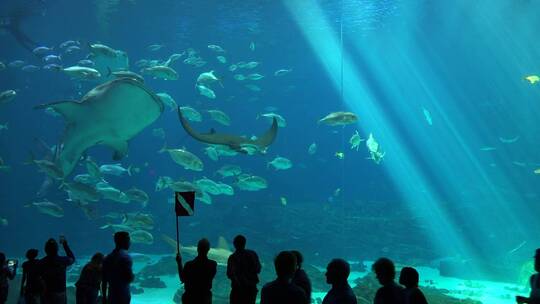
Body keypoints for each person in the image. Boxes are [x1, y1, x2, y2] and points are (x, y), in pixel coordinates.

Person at [176, 238, 217, 304]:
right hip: (204, 297)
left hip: (190, 297)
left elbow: (182, 279)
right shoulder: (213, 264)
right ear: (208, 249)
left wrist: (179, 262)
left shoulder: (189, 265)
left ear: (197, 249)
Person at [39, 236, 75, 304]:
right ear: (57, 249)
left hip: (46, 293)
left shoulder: (41, 262)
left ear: (45, 249)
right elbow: (72, 258)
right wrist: (65, 245)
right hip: (60, 292)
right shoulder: (63, 260)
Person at [227, 235, 262, 304]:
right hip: (251, 289)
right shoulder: (252, 254)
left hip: (237, 290)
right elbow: (258, 269)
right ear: (245, 243)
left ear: (234, 244)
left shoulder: (232, 257)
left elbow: (229, 274)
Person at [102, 232, 134, 304]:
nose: (130, 242)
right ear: (124, 241)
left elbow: (104, 281)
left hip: (111, 295)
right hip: (123, 294)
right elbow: (129, 278)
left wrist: (104, 297)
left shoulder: (107, 258)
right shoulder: (126, 257)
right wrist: (133, 276)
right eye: (129, 239)